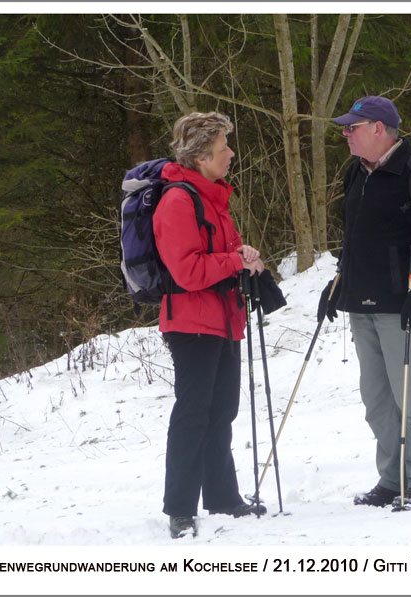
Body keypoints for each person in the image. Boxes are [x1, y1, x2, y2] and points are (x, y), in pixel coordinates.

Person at [318, 96, 411, 507]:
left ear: (378, 129)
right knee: (377, 399)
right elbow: (354, 239)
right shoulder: (355, 174)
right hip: (360, 301)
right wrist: (338, 284)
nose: (345, 134)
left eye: (353, 128)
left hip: (403, 305)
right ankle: (393, 477)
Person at [153, 112, 267, 539]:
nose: (231, 154)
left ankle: (223, 498)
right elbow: (186, 272)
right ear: (201, 155)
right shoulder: (179, 201)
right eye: (223, 148)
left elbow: (222, 252)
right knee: (193, 414)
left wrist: (243, 255)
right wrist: (234, 261)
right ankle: (180, 508)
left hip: (222, 319)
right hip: (191, 322)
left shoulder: (213, 197)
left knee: (222, 411)